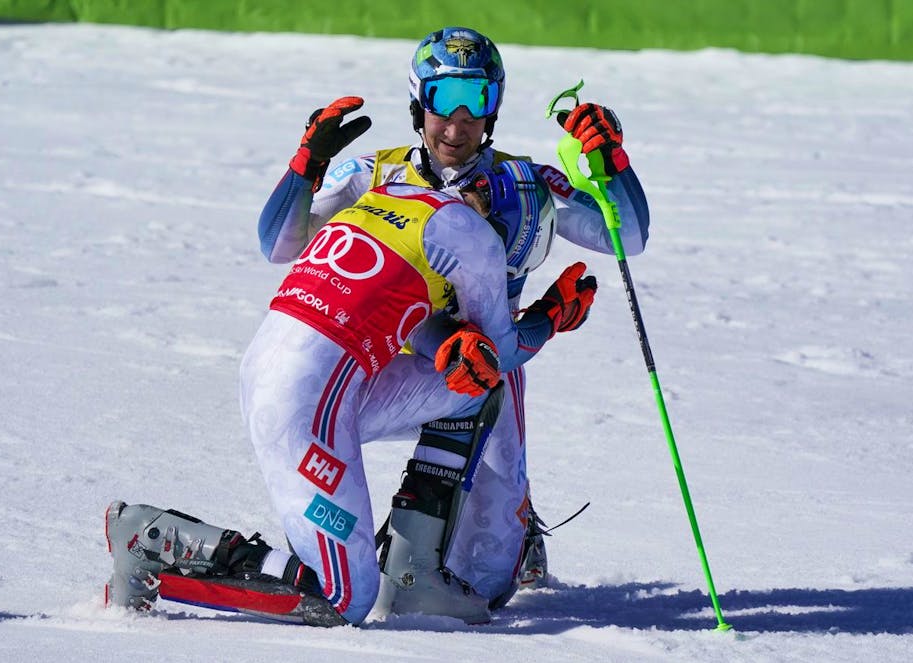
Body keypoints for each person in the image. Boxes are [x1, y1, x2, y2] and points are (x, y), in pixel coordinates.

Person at [255, 26, 650, 610]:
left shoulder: (526, 183)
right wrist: (305, 165)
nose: (457, 124)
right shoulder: (374, 172)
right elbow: (277, 244)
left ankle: (491, 531)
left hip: (492, 360)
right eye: (443, 101)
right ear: (419, 103)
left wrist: (611, 162)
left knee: (489, 585)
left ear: (494, 108)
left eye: (476, 103)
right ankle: (365, 546)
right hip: (379, 364)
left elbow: (629, 237)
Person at [105, 161, 599, 626]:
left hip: (281, 374)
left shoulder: (396, 195)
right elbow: (501, 354)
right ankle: (153, 541)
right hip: (309, 405)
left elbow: (390, 309)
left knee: (469, 395)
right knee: (344, 599)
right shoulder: (478, 239)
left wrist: (449, 340)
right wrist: (551, 315)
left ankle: (413, 573)